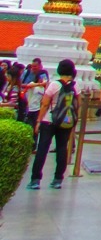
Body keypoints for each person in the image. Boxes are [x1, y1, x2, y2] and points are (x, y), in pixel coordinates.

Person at [26, 59, 79, 190]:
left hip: (49, 120)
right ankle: (57, 179)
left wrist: (38, 121)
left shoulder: (54, 85)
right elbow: (78, 105)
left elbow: (44, 104)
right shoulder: (75, 86)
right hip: (65, 121)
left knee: (42, 149)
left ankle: (35, 180)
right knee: (62, 149)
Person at [21, 58, 49, 135]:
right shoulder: (28, 74)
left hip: (38, 109)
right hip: (28, 107)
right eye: (32, 66)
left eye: (35, 66)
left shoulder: (42, 75)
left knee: (35, 129)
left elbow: (46, 84)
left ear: (40, 66)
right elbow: (23, 84)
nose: (33, 68)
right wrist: (38, 84)